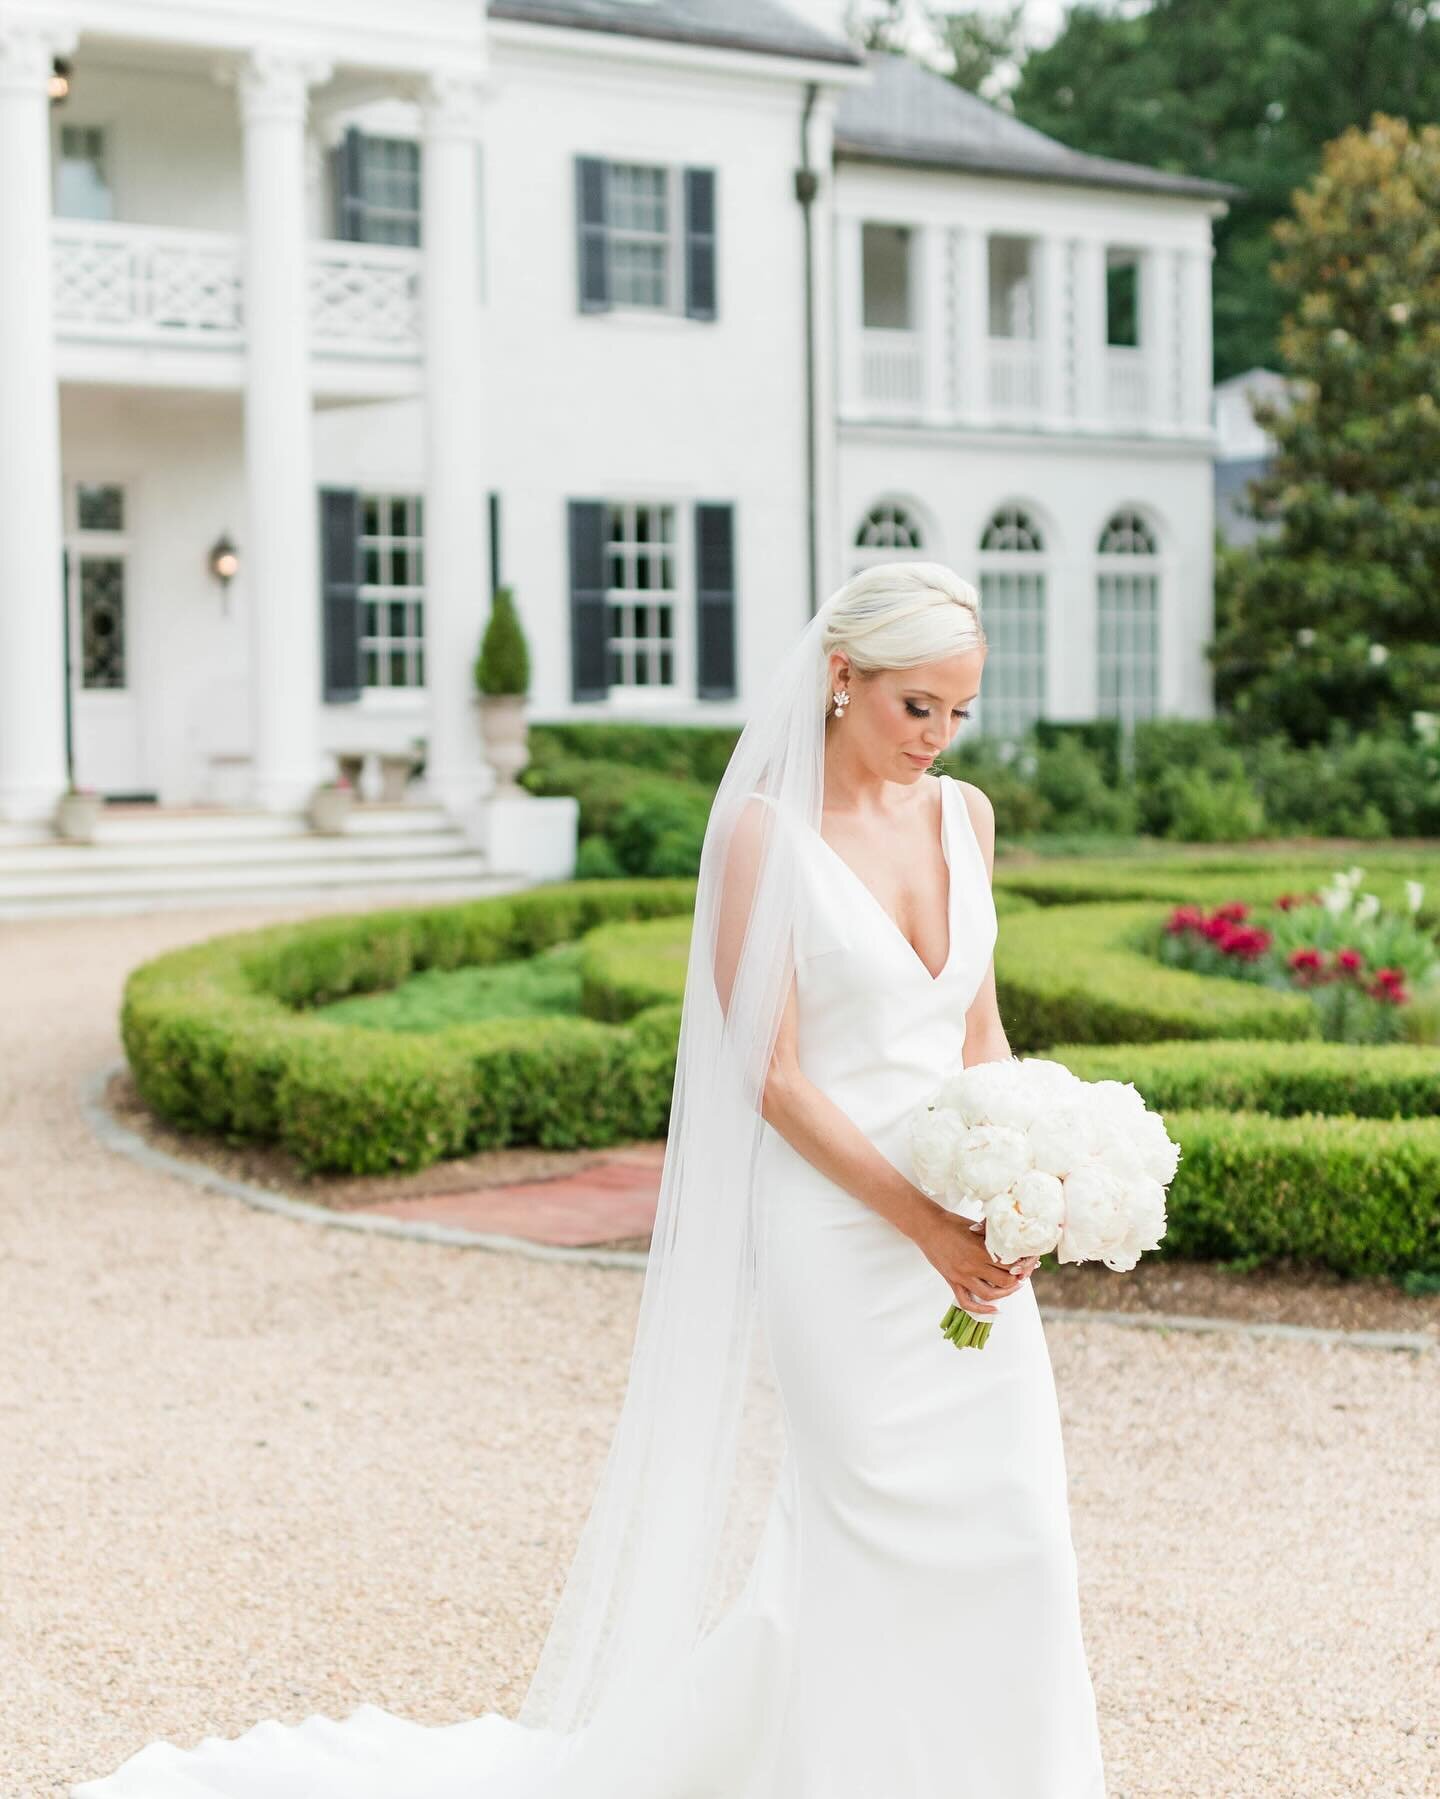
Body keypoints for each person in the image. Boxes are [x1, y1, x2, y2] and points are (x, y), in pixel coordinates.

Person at [74, 564, 1106, 1798]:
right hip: (841, 1230)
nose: (936, 740)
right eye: (915, 708)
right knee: (869, 1533)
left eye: (958, 711)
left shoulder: (965, 818)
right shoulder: (764, 834)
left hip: (962, 1227)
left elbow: (975, 1026)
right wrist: (924, 1221)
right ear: (843, 680)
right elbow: (770, 1077)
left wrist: (1023, 1172)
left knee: (1021, 1528)